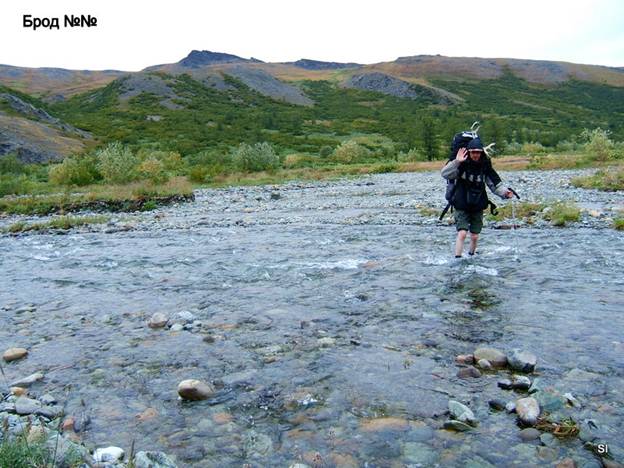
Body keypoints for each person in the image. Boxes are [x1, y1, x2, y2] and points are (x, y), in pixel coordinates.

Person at [441, 138, 514, 258]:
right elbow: (445, 174)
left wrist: (505, 193)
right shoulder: (461, 164)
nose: (475, 155)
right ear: (469, 152)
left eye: (478, 152)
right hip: (461, 203)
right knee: (462, 233)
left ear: (481, 153)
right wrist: (457, 161)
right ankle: (458, 258)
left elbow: (494, 184)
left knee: (474, 236)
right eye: (473, 152)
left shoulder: (485, 166)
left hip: (477, 204)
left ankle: (471, 256)